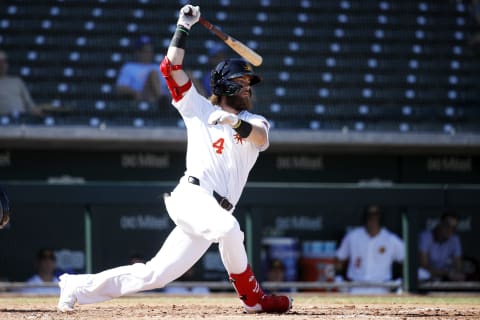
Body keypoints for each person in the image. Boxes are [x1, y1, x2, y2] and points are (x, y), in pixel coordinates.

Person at [57, 5, 292, 314]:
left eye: (249, 84)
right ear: (224, 85)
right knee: (230, 229)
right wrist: (183, 26)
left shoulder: (254, 120)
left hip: (213, 211)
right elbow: (170, 68)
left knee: (154, 274)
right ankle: (255, 299)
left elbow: (261, 138)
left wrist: (235, 122)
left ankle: (75, 286)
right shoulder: (198, 108)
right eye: (242, 82)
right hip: (194, 197)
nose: (247, 89)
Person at [335, 205, 404, 294]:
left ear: (380, 218)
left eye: (376, 216)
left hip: (382, 288)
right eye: (370, 216)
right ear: (365, 217)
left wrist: (400, 281)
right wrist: (338, 279)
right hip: (356, 287)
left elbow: (407, 261)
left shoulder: (391, 239)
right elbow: (339, 259)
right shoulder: (353, 236)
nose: (373, 219)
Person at [116, 35, 168, 103]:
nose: (148, 54)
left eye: (150, 51)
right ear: (138, 52)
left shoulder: (158, 66)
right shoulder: (129, 67)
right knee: (153, 73)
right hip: (142, 96)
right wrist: (136, 93)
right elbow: (120, 88)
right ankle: (161, 100)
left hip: (163, 96)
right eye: (145, 51)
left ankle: (164, 101)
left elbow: (167, 85)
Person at [418, 210, 466, 281]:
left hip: (444, 276)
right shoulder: (425, 237)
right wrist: (447, 273)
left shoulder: (455, 239)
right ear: (440, 224)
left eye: (453, 228)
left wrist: (457, 274)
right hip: (426, 276)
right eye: (447, 226)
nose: (449, 230)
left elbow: (458, 264)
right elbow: (423, 265)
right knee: (422, 273)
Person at [0, 49, 41, 116]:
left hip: (21, 120)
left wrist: (35, 110)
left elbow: (29, 103)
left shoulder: (17, 81)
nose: (1, 66)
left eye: (3, 62)